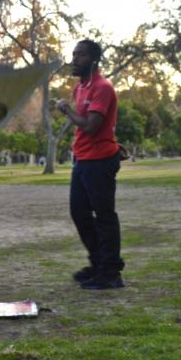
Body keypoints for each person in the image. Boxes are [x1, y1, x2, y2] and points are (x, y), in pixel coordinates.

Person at [56, 39, 126, 290]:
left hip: (100, 161)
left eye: (81, 55)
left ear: (93, 60)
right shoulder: (80, 88)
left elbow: (91, 126)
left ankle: (111, 273)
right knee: (79, 213)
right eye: (74, 55)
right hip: (83, 160)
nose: (75, 59)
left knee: (105, 216)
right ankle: (98, 264)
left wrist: (67, 111)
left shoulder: (102, 87)